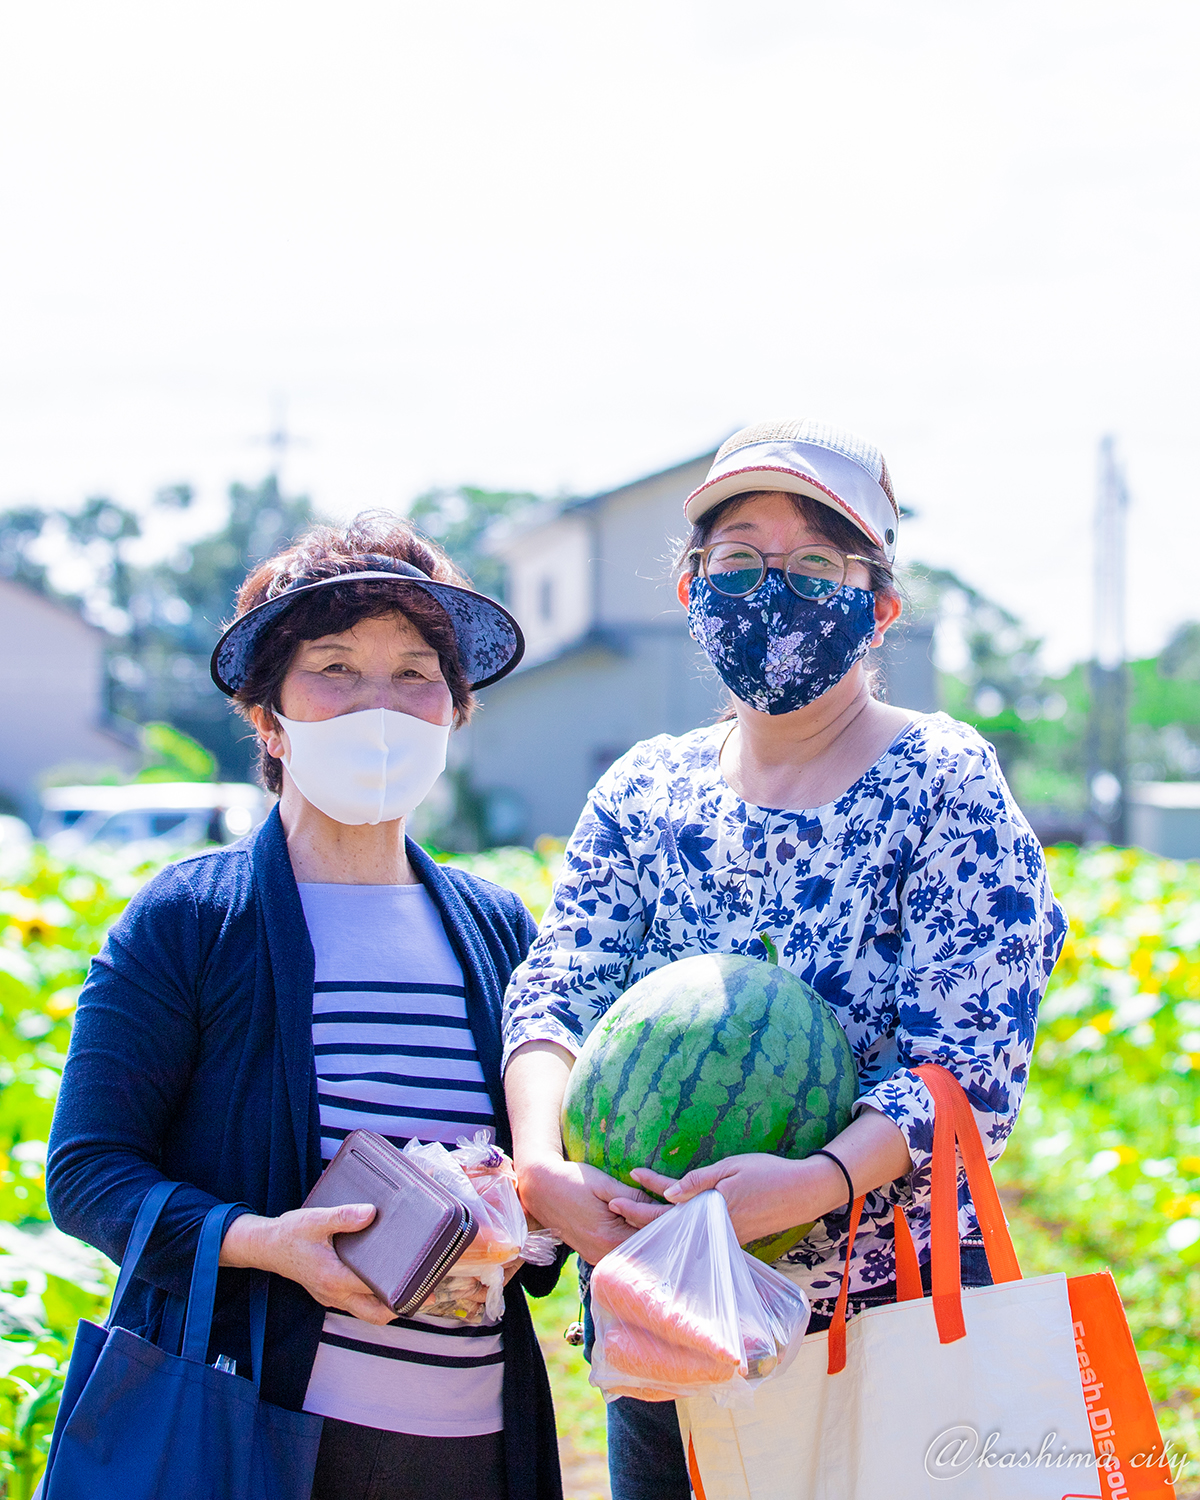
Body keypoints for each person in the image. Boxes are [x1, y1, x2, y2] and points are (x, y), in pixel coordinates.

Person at [501, 420, 1067, 1500]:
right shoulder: (643, 791)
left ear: (879, 604)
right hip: (673, 1323)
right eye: (739, 560)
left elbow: (971, 1065)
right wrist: (542, 1167)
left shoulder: (944, 782)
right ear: (689, 590)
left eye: (816, 564)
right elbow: (559, 987)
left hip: (889, 1328)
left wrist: (809, 1184)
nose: (774, 588)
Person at [47, 514, 564, 1500]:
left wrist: (528, 1218)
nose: (381, 705)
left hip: (470, 1441)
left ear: (455, 711)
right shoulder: (192, 920)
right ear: (268, 719)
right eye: (334, 666)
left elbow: (532, 1191)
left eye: (417, 673)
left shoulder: (496, 926)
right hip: (260, 1444)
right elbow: (88, 1173)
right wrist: (266, 1245)